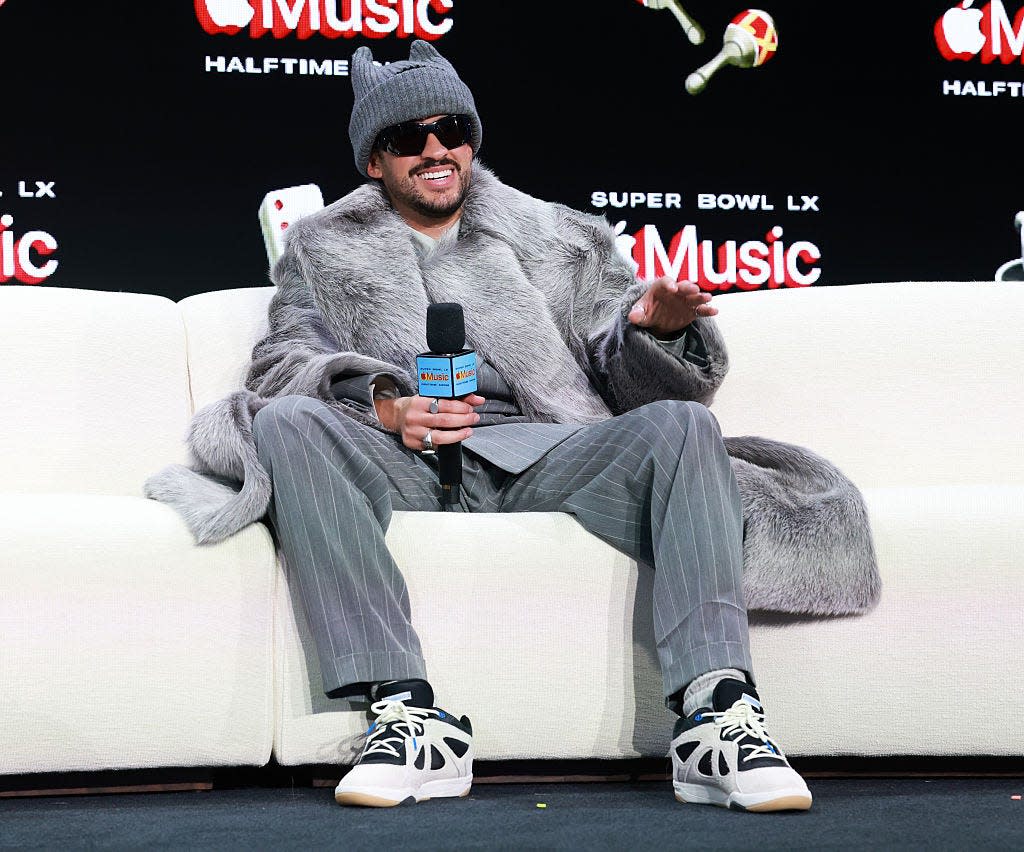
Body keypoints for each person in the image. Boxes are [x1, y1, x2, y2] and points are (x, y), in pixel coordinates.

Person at [146, 39, 878, 813]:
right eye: (406, 138)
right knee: (290, 419)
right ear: (374, 161)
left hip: (544, 450)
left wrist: (649, 332)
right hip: (408, 454)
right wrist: (383, 400)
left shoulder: (557, 236)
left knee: (681, 429)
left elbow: (616, 363)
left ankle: (718, 716)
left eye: (451, 129)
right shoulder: (324, 246)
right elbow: (281, 360)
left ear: (472, 138)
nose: (435, 150)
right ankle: (407, 715)